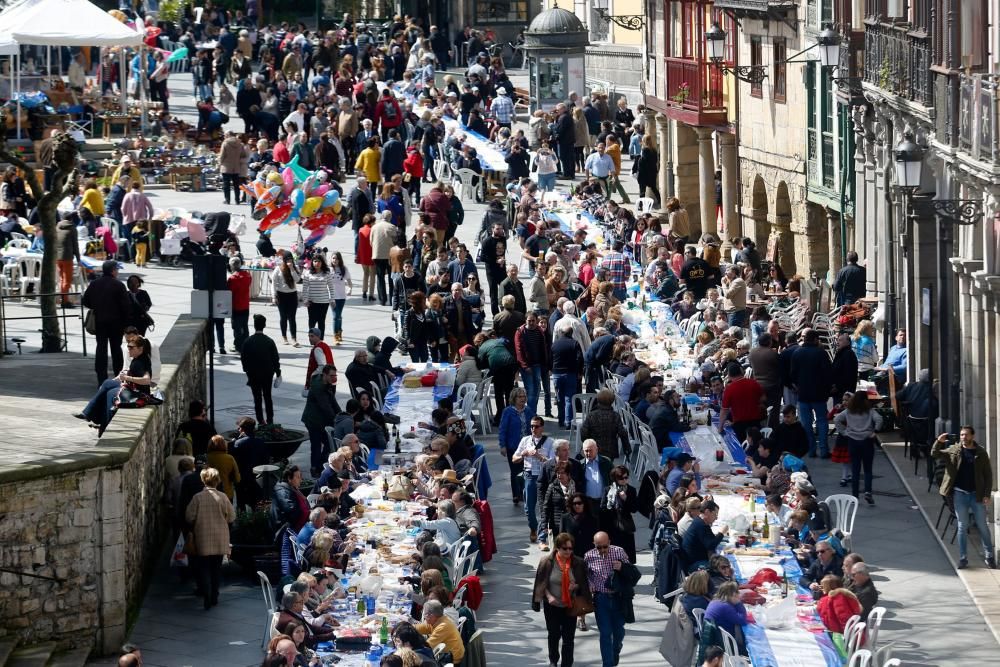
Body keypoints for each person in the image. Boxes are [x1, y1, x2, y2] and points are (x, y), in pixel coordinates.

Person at [932, 427, 996, 569]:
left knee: (982, 526)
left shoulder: (980, 452)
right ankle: (963, 558)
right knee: (962, 526)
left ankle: (989, 556)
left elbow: (988, 475)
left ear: (972, 436)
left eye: (966, 435)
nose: (963, 437)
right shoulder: (954, 450)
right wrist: (939, 441)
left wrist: (986, 494)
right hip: (959, 493)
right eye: (961, 434)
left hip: (976, 495)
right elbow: (934, 454)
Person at [532, 532, 592, 667]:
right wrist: (548, 596)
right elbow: (542, 583)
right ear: (557, 548)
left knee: (568, 639)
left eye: (571, 548)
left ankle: (567, 664)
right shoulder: (546, 562)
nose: (568, 551)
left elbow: (584, 583)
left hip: (570, 605)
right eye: (565, 548)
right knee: (553, 635)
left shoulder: (578, 563)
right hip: (552, 605)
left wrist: (575, 586)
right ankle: (553, 661)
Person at [73, 335, 153, 435]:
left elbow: (147, 380)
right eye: (128, 347)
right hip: (131, 388)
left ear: (140, 348)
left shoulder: (141, 361)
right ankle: (89, 414)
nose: (129, 350)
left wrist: (127, 378)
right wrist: (124, 375)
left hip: (138, 393)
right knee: (107, 383)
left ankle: (102, 424)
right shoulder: (138, 358)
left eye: (131, 348)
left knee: (111, 394)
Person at [185, 467, 236, 609]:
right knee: (216, 568)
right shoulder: (223, 497)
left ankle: (206, 594)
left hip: (202, 537)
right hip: (220, 537)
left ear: (203, 480)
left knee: (204, 568)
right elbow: (232, 516)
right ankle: (214, 595)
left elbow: (189, 517)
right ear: (217, 481)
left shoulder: (197, 498)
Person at [584, 531, 630, 667]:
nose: (603, 550)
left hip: (618, 598)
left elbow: (631, 572)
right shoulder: (589, 556)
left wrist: (622, 567)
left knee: (619, 632)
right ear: (594, 545)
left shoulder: (619, 552)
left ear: (609, 542)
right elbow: (586, 574)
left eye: (605, 546)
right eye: (599, 547)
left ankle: (615, 651)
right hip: (601, 598)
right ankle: (607, 664)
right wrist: (590, 583)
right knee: (605, 633)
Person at [82, 260, 130, 386]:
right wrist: (126, 323)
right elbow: (126, 306)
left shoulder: (94, 284)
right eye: (117, 270)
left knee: (101, 349)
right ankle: (119, 377)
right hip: (116, 323)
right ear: (113, 271)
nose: (118, 272)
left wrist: (97, 306)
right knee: (116, 350)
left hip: (100, 321)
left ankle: (101, 379)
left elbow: (85, 301)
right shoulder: (118, 285)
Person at [790, 329, 833, 458]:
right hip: (819, 394)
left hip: (803, 393)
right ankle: (824, 450)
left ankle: (811, 449)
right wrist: (827, 389)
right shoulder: (821, 353)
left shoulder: (797, 353)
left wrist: (797, 386)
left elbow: (792, 374)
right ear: (815, 340)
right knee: (822, 421)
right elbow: (828, 374)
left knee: (806, 423)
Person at [833, 392, 882, 504]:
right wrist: (875, 432)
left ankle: (855, 495)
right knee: (868, 469)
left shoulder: (848, 411)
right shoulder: (870, 411)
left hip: (853, 441)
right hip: (867, 441)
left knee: (855, 470)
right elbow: (879, 419)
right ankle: (868, 492)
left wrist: (844, 432)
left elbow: (836, 420)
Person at [513, 415, 554, 547]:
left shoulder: (550, 442)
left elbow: (553, 463)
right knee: (528, 507)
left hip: (543, 476)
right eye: (531, 426)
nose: (533, 429)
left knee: (543, 507)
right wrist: (524, 453)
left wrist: (539, 456)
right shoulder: (525, 440)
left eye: (536, 426)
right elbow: (514, 458)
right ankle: (533, 527)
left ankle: (542, 536)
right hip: (529, 475)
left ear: (542, 427)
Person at [240, 314, 281, 425]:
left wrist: (246, 369)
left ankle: (260, 420)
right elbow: (275, 358)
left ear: (254, 326)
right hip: (267, 373)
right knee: (268, 396)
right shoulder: (269, 341)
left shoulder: (248, 342)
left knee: (257, 398)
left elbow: (243, 357)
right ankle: (270, 419)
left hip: (253, 374)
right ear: (264, 325)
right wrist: (278, 373)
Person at [301, 364, 342, 477]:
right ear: (324, 375)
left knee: (327, 444)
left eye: (335, 375)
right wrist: (336, 420)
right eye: (331, 375)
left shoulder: (327, 383)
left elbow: (333, 401)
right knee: (316, 445)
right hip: (313, 421)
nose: (334, 378)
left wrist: (341, 415)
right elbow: (326, 407)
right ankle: (315, 468)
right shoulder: (319, 387)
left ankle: (319, 465)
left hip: (320, 420)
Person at [498, 387, 532, 505]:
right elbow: (502, 429)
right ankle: (516, 495)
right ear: (514, 398)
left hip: (527, 446)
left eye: (524, 396)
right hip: (513, 446)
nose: (523, 399)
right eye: (520, 397)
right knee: (515, 471)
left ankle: (524, 492)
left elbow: (535, 424)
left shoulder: (528, 411)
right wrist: (502, 445)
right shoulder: (508, 411)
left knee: (526, 470)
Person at [718, 362, 764, 441]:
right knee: (756, 446)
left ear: (729, 375)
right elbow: (763, 398)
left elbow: (724, 410)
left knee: (742, 449)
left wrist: (720, 428)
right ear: (741, 371)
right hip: (755, 422)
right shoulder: (754, 383)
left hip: (740, 425)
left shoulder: (729, 389)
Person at [580, 389, 629, 461]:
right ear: (612, 401)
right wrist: (627, 448)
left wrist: (587, 442)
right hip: (610, 449)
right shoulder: (615, 416)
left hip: (593, 447)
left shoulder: (592, 415)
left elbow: (584, 432)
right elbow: (622, 433)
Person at [602, 465, 638, 562]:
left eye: (626, 477)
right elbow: (603, 507)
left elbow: (634, 509)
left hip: (625, 525)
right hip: (612, 526)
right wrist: (612, 503)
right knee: (613, 556)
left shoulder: (631, 490)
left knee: (627, 556)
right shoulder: (608, 490)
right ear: (615, 478)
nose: (624, 480)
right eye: (621, 478)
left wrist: (625, 499)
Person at [681, 500, 728, 572]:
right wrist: (721, 533)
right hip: (694, 564)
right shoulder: (701, 525)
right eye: (715, 514)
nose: (716, 518)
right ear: (707, 512)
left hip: (696, 559)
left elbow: (711, 539)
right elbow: (711, 545)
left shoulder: (700, 521)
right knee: (722, 569)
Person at [302, 254, 336, 339]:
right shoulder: (307, 273)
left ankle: (320, 340)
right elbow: (305, 288)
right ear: (312, 262)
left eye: (319, 261)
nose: (317, 263)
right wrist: (305, 299)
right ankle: (312, 338)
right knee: (312, 321)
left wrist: (332, 299)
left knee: (321, 322)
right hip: (312, 302)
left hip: (323, 302)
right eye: (315, 261)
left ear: (322, 262)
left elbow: (331, 288)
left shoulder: (327, 273)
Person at [272, 250, 302, 346]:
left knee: (292, 318)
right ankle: (284, 337)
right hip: (281, 295)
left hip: (292, 295)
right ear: (284, 260)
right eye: (287, 259)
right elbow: (274, 283)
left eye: (291, 259)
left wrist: (292, 269)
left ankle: (294, 338)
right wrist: (274, 296)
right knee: (283, 317)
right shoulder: (278, 269)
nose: (289, 261)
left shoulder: (295, 267)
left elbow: (297, 280)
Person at [579, 439, 613, 516]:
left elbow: (613, 479)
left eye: (590, 450)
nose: (588, 453)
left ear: (597, 450)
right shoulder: (580, 465)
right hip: (588, 502)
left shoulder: (606, 462)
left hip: (604, 501)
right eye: (586, 451)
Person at [227, 257, 253, 352]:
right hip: (245, 305)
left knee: (236, 327)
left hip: (236, 306)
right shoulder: (248, 275)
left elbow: (229, 292)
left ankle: (238, 346)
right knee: (244, 326)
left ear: (232, 266)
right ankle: (246, 344)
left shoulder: (232, 279)